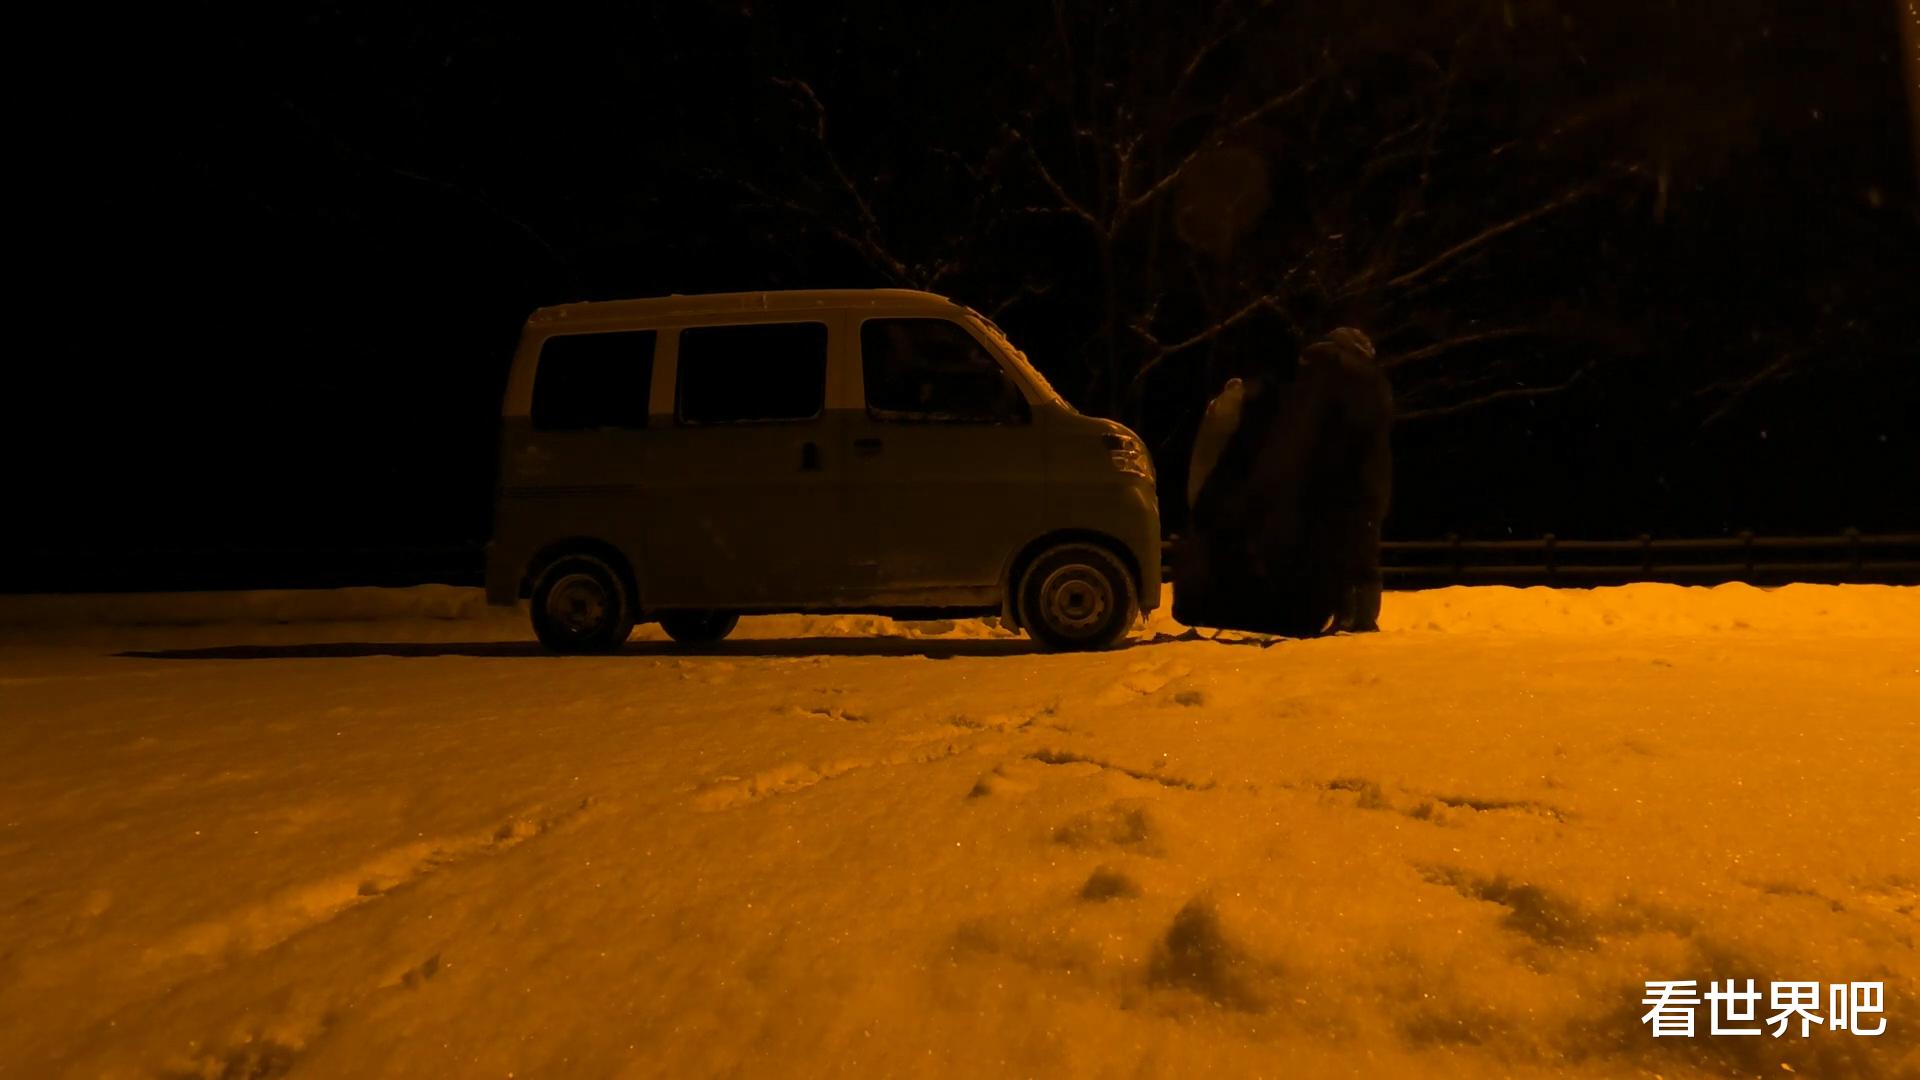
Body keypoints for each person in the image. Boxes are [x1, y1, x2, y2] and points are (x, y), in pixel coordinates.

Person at [1174, 328, 1393, 636]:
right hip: (1355, 486)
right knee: (1361, 554)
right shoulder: (1360, 383)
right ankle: (1359, 618)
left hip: (1321, 483)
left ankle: (1342, 614)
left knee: (1331, 550)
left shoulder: (1309, 381)